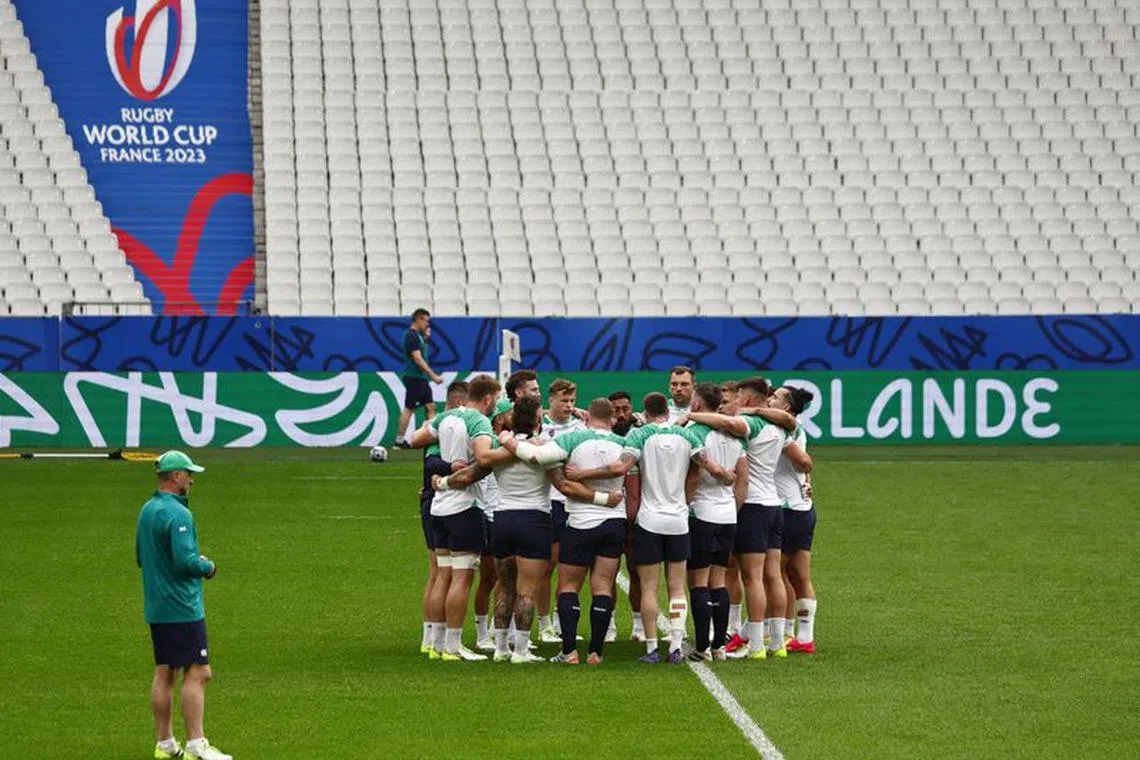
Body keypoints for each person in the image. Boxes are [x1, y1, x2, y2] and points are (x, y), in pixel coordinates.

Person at [439, 397, 622, 664]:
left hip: (502, 519)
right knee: (526, 590)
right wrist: (603, 499)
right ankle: (521, 650)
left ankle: (501, 648)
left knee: (504, 586)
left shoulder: (498, 449)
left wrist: (442, 482)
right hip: (534, 521)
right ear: (538, 420)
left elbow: (467, 475)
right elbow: (565, 487)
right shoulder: (546, 447)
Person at [565, 392, 736, 664]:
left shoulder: (639, 436)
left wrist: (581, 474)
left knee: (648, 588)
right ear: (667, 411)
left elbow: (619, 467)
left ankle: (652, 648)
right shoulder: (688, 436)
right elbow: (709, 465)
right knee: (678, 588)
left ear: (644, 411)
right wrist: (727, 476)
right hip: (679, 519)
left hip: (649, 520)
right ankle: (677, 646)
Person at [683, 377, 808, 660]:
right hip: (775, 505)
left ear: (748, 399)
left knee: (752, 578)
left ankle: (755, 646)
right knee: (773, 574)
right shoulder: (782, 426)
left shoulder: (751, 425)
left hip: (752, 505)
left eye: (739, 398)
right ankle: (777, 644)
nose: (736, 403)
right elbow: (790, 424)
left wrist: (690, 415)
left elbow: (727, 424)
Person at [504, 398, 627, 665]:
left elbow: (535, 456)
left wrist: (507, 440)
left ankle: (569, 650)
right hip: (615, 520)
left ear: (587, 417)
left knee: (568, 585)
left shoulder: (572, 439)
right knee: (603, 585)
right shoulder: (624, 444)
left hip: (580, 521)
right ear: (612, 419)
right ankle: (596, 652)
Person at [136, 451, 231, 760]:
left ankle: (164, 745)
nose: (192, 480)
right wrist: (207, 566)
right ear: (176, 477)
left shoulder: (147, 510)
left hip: (158, 605)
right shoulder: (178, 515)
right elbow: (184, 560)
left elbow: (140, 558)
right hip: (181, 607)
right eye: (189, 474)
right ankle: (196, 745)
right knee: (199, 671)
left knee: (166, 671)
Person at [410, 374, 502, 661]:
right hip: (465, 505)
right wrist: (510, 449)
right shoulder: (479, 421)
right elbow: (484, 458)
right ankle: (453, 645)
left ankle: (436, 645)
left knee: (441, 576)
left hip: (439, 505)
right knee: (461, 579)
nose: (495, 405)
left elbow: (417, 439)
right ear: (487, 398)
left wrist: (448, 464)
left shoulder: (446, 418)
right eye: (495, 400)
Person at [683, 383, 748, 661]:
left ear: (697, 404)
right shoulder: (734, 435)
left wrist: (684, 506)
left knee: (698, 582)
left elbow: (694, 476)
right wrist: (733, 508)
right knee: (718, 581)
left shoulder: (694, 432)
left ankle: (701, 647)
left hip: (702, 513)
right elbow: (743, 478)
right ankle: (719, 646)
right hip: (727, 514)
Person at [419, 380, 469, 656]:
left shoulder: (439, 428)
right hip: (442, 501)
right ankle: (436, 640)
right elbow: (431, 463)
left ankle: (430, 639)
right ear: (461, 403)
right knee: (444, 573)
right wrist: (452, 467)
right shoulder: (446, 429)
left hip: (432, 499)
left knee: (438, 573)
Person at [769, 385, 819, 654]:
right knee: (798, 575)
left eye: (775, 397)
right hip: (802, 508)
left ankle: (773, 631)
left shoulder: (786, 427)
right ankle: (803, 637)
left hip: (788, 509)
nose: (769, 400)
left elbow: (804, 462)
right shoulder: (792, 427)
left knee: (774, 574)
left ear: (787, 407)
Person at [537, 378, 586, 643]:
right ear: (551, 401)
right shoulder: (540, 428)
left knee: (573, 567)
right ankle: (544, 624)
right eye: (563, 401)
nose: (568, 406)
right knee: (548, 565)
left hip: (575, 504)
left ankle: (561, 620)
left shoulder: (582, 426)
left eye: (572, 401)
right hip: (550, 502)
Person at [608, 389, 646, 640]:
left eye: (625, 409)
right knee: (606, 573)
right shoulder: (600, 438)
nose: (621, 414)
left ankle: (639, 626)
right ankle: (609, 625)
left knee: (637, 572)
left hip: (636, 517)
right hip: (608, 516)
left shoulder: (641, 435)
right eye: (616, 410)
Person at [395, 308, 444, 448]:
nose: (427, 325)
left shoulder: (419, 336)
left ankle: (431, 438)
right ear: (419, 319)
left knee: (430, 407)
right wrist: (433, 376)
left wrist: (426, 338)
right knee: (410, 408)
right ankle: (399, 441)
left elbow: (421, 352)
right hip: (415, 377)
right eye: (426, 321)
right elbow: (417, 358)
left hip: (420, 378)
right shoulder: (411, 335)